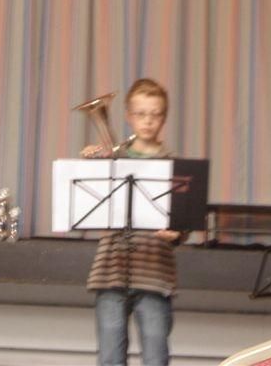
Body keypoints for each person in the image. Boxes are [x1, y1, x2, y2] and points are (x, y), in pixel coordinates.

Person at [81, 78, 182, 366]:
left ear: (164, 117)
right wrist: (90, 166)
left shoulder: (174, 164)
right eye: (140, 114)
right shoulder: (113, 157)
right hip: (110, 271)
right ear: (128, 116)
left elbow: (181, 222)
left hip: (155, 274)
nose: (147, 121)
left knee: (156, 357)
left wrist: (177, 234)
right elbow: (89, 200)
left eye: (155, 114)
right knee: (110, 358)